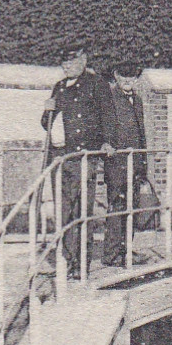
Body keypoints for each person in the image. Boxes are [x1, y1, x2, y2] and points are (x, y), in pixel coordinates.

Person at [41, 44, 108, 271]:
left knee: (82, 211)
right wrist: (48, 110)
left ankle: (82, 262)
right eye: (64, 62)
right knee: (64, 210)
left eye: (71, 61)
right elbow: (45, 124)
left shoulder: (96, 84)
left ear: (83, 60)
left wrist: (106, 143)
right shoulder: (59, 87)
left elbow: (108, 117)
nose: (66, 66)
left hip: (83, 156)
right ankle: (68, 259)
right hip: (60, 157)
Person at [100, 64, 149, 266]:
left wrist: (143, 162)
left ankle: (126, 249)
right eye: (124, 76)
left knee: (133, 207)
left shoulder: (137, 99)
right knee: (118, 207)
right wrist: (106, 143)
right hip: (118, 162)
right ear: (116, 76)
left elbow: (141, 132)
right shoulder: (109, 98)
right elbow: (102, 125)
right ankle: (111, 254)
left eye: (133, 76)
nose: (128, 80)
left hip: (135, 162)